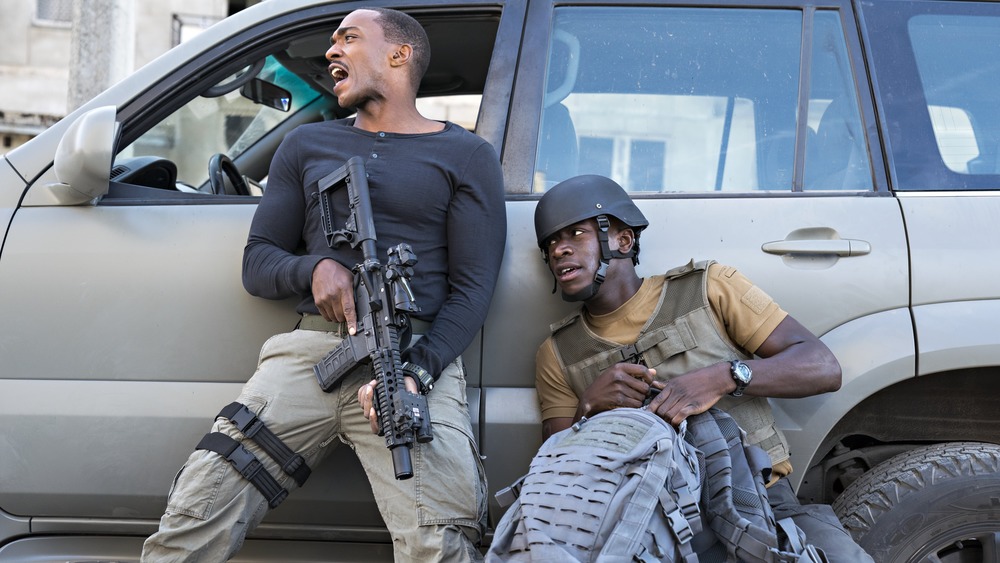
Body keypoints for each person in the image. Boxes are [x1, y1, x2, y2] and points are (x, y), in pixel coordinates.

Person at [141, 8, 506, 562]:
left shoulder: (468, 156)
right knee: (197, 510)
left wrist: (417, 373)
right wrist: (312, 270)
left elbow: (474, 287)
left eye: (349, 39)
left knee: (440, 540)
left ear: (399, 54)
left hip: (412, 361)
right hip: (311, 354)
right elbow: (257, 262)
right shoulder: (306, 147)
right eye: (332, 41)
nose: (332, 51)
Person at [530, 174, 873, 562]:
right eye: (551, 244)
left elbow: (822, 366)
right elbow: (554, 481)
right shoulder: (558, 353)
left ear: (622, 240)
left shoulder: (709, 288)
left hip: (760, 504)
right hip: (642, 531)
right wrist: (588, 408)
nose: (559, 250)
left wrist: (724, 377)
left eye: (575, 234)